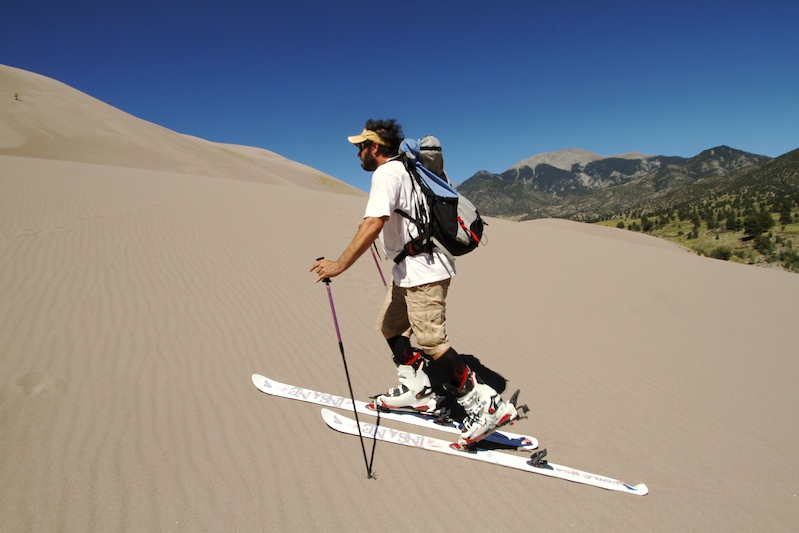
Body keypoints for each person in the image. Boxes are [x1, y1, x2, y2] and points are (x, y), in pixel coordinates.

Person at [310, 119, 517, 444]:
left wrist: (339, 265)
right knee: (390, 326)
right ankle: (417, 389)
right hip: (408, 271)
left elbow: (374, 222)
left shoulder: (387, 173)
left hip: (424, 270)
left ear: (375, 147)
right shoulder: (404, 171)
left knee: (431, 341)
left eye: (361, 147)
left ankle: (484, 404)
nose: (358, 153)